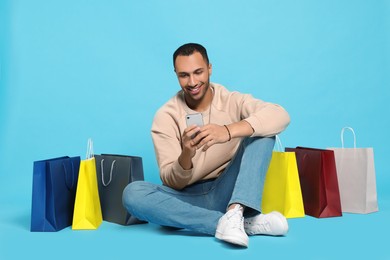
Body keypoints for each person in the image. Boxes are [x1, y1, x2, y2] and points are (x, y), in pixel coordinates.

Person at [123, 43, 291, 248]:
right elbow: (171, 181)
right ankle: (236, 223)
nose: (192, 82)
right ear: (176, 74)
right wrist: (186, 154)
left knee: (263, 132)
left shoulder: (231, 100)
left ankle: (236, 211)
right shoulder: (165, 116)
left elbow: (280, 115)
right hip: (186, 202)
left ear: (210, 68)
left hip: (229, 193)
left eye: (198, 72)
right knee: (132, 194)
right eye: (184, 75)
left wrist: (227, 131)